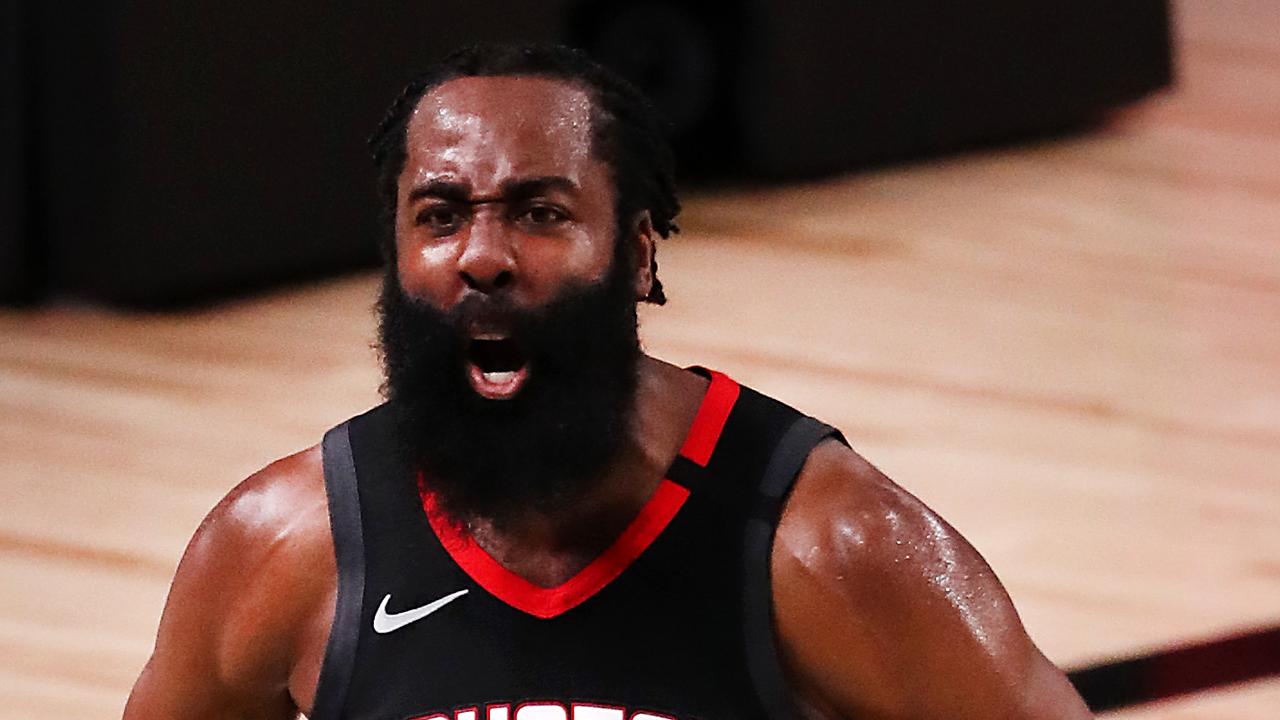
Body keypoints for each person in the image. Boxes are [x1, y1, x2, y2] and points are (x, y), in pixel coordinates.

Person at [124, 43, 1092, 720]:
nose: (483, 257)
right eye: (439, 215)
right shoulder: (284, 546)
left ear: (634, 254)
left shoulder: (828, 544)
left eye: (539, 212)